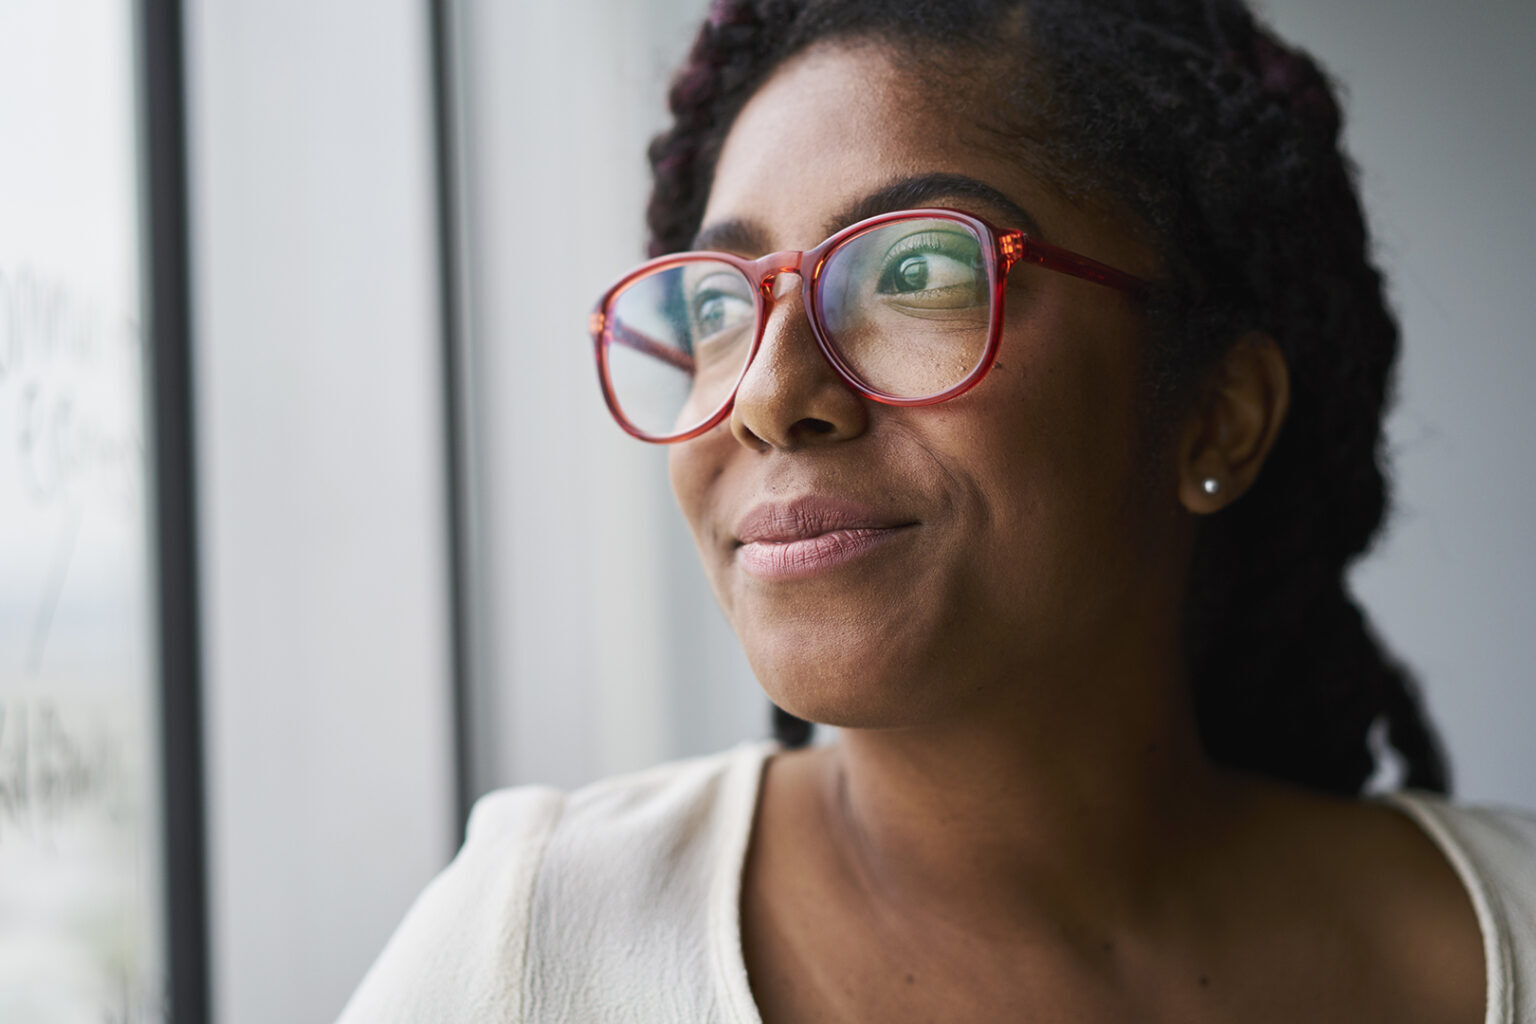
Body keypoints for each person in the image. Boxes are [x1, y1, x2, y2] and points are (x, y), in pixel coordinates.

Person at [338, 1, 1536, 1020]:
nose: (765, 394)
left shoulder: (1514, 935)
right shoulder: (533, 948)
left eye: (915, 272)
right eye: (717, 308)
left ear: (1219, 414)